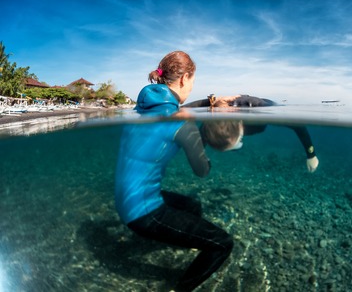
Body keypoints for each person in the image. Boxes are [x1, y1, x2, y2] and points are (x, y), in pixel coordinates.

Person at [115, 51, 233, 292]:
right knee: (222, 243)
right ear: (184, 79)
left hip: (124, 201)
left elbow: (177, 111)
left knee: (192, 207)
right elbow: (202, 171)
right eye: (193, 81)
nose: (192, 87)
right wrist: (207, 136)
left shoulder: (143, 106)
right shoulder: (182, 123)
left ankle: (184, 242)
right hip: (142, 213)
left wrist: (208, 103)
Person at [184, 94, 319, 173]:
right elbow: (201, 144)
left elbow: (299, 125)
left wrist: (311, 155)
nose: (240, 143)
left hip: (264, 107)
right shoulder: (210, 128)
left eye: (239, 140)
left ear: (240, 126)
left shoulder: (264, 111)